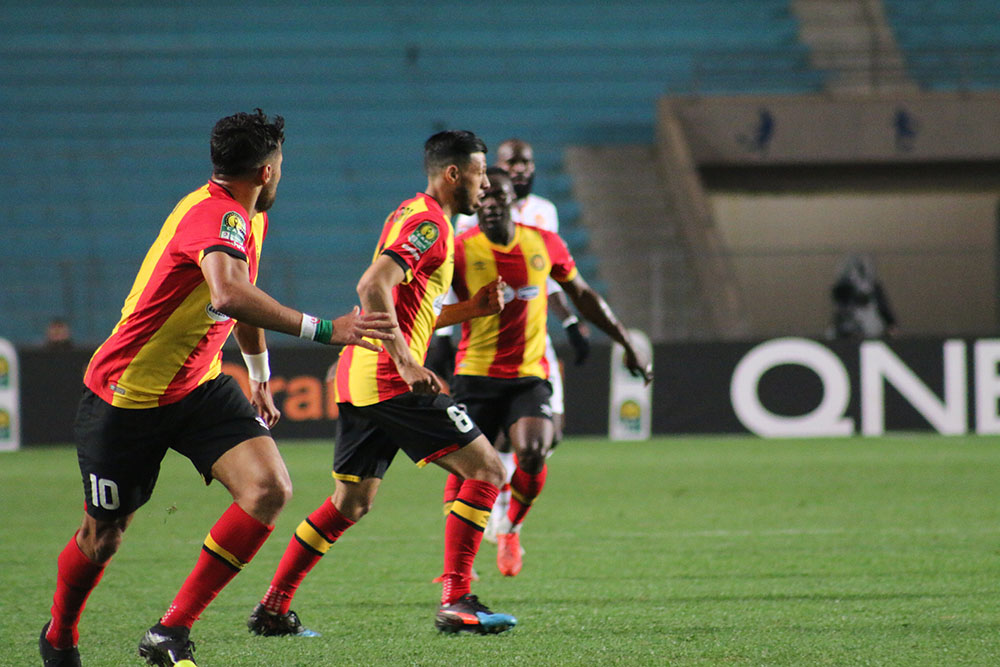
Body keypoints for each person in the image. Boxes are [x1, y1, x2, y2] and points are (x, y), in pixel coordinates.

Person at [39, 109, 396, 667]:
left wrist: (259, 375)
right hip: (126, 395)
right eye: (280, 165)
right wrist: (326, 329)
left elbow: (242, 296)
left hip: (198, 386)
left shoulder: (247, 217)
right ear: (267, 171)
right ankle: (60, 635)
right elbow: (229, 293)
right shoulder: (215, 215)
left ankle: (170, 631)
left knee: (268, 489)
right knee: (102, 537)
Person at [247, 130, 517, 639]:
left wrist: (470, 309)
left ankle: (272, 609)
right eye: (480, 173)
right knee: (487, 469)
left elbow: (407, 311)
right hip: (390, 380)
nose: (485, 184)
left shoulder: (412, 214)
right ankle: (457, 598)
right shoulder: (429, 224)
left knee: (350, 503)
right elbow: (372, 285)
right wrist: (408, 363)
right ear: (453, 173)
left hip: (363, 378)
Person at [445, 167, 652, 577]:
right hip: (475, 374)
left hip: (528, 373)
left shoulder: (543, 242)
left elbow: (584, 295)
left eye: (499, 197)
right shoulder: (460, 250)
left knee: (534, 450)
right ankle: (458, 572)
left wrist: (626, 343)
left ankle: (510, 529)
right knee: (466, 471)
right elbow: (422, 307)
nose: (490, 204)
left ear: (513, 201)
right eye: (484, 197)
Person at [453, 138, 589, 541]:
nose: (520, 169)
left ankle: (509, 518)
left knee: (546, 440)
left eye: (526, 162)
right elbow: (451, 286)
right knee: (484, 445)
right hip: (483, 347)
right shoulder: (468, 218)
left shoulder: (545, 213)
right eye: (511, 163)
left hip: (533, 341)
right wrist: (441, 338)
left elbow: (550, 275)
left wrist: (569, 322)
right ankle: (496, 514)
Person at [827, 253, 898, 340]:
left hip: (869, 326)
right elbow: (840, 306)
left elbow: (882, 306)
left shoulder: (873, 288)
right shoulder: (843, 289)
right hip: (848, 325)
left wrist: (890, 324)